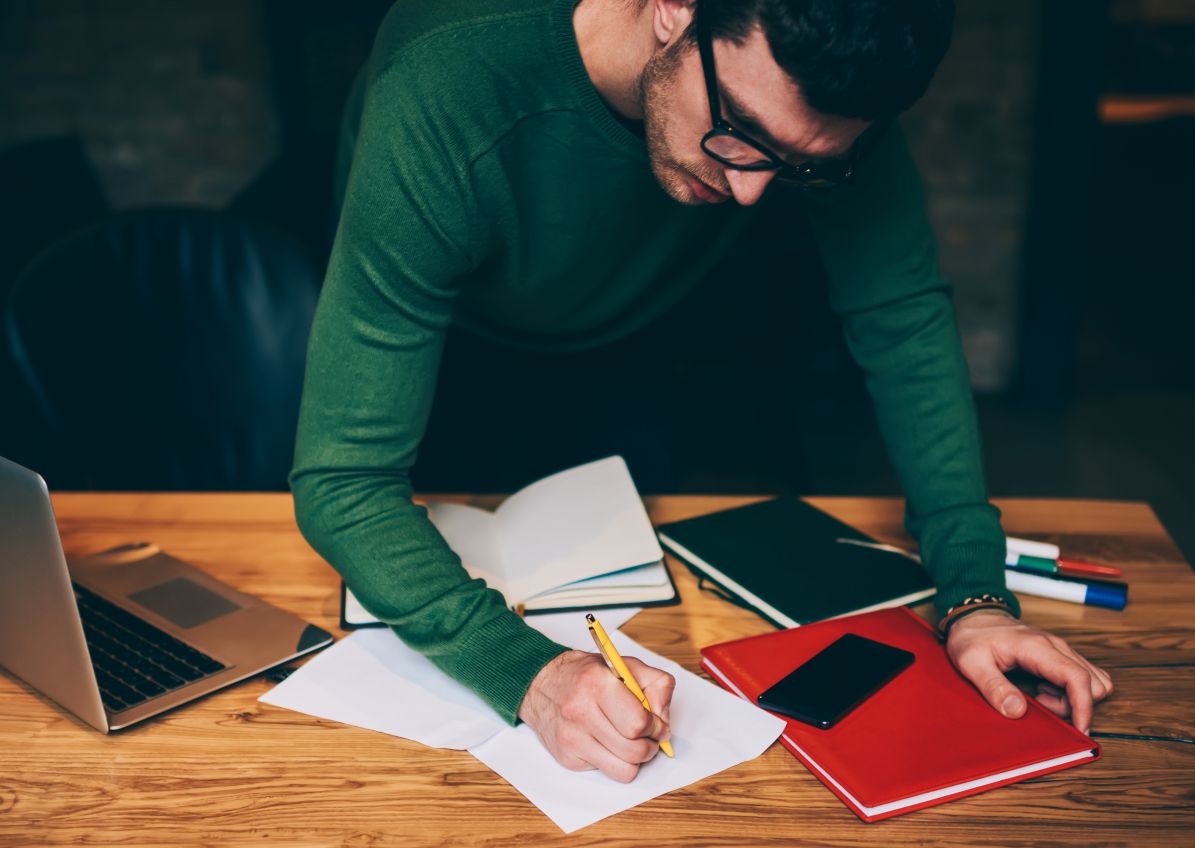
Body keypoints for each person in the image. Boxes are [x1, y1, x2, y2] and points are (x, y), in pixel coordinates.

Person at [291, 0, 1113, 784]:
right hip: (443, 343)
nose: (754, 191)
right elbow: (344, 480)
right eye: (742, 132)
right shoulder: (446, 79)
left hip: (639, 335)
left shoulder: (835, 79)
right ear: (675, 8)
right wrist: (529, 676)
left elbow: (902, 322)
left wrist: (976, 596)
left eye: (800, 167)